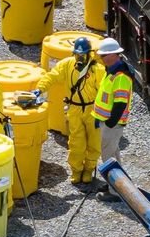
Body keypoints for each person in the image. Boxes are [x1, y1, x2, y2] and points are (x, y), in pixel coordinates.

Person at [34, 37, 104, 184]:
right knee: (76, 143)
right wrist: (39, 89)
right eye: (78, 54)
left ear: (89, 53)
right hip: (74, 109)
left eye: (83, 54)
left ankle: (89, 170)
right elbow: (51, 77)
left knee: (94, 142)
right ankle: (77, 170)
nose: (80, 57)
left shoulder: (98, 70)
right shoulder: (66, 65)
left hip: (93, 110)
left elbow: (105, 92)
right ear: (73, 54)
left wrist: (105, 113)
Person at [91, 37, 133, 202]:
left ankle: (115, 192)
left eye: (104, 55)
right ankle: (115, 184)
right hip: (108, 123)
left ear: (114, 55)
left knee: (108, 158)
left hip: (112, 125)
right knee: (114, 156)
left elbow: (120, 103)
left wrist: (110, 122)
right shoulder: (112, 72)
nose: (101, 58)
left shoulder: (120, 76)